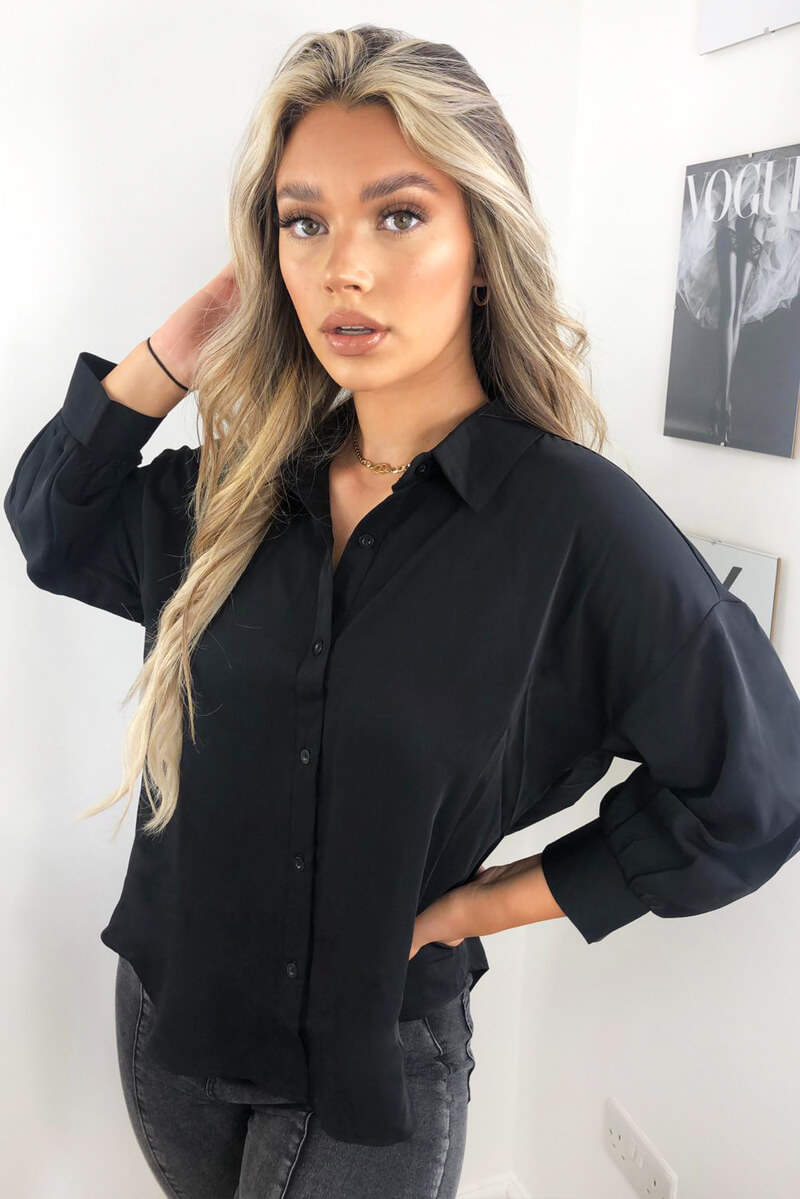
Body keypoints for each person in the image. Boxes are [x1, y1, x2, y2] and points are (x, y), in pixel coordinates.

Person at [6, 24, 800, 1199]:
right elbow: (50, 525)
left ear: (481, 241)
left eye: (398, 214)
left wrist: (488, 902)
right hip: (172, 1024)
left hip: (371, 1061)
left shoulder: (573, 524)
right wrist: (176, 348)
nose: (344, 268)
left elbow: (754, 785)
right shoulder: (234, 492)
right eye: (303, 222)